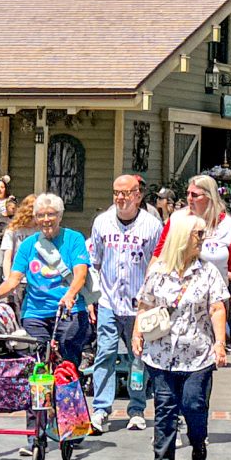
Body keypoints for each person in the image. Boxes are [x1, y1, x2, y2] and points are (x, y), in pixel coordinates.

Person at [132, 212, 230, 460]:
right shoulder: (158, 271)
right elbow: (145, 305)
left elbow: (217, 308)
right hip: (161, 353)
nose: (202, 239)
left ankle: (198, 439)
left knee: (193, 403)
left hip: (198, 353)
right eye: (198, 234)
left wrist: (220, 344)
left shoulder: (208, 272)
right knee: (165, 406)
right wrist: (137, 334)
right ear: (182, 237)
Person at [0, 195, 93, 446]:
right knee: (36, 370)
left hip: (69, 310)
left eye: (51, 214)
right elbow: (14, 278)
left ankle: (72, 426)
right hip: (36, 314)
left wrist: (70, 295)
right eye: (41, 215)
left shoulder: (74, 239)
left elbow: (80, 274)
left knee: (66, 366)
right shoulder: (29, 245)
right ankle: (35, 433)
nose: (46, 219)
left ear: (59, 216)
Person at [86, 174, 162, 431]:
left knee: (138, 357)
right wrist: (92, 297)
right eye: (116, 193)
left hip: (139, 305)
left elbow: (158, 263)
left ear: (137, 196)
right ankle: (101, 408)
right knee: (104, 353)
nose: (120, 198)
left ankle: (137, 408)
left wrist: (152, 299)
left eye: (126, 193)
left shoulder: (152, 226)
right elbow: (95, 262)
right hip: (109, 301)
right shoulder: (102, 223)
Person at [183, 173, 231, 330]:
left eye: (194, 195)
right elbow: (160, 255)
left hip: (216, 300)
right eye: (188, 194)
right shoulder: (178, 221)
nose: (189, 199)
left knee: (218, 341)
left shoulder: (229, 227)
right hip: (183, 298)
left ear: (210, 197)